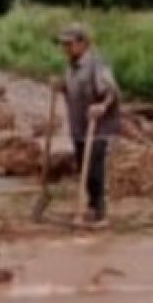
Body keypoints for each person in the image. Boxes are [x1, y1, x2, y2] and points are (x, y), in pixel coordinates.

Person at [53, 23, 121, 228]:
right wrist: (61, 86)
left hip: (99, 127)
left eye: (69, 44)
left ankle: (100, 213)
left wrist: (102, 106)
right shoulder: (71, 65)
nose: (65, 48)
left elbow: (112, 91)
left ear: (83, 43)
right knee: (83, 166)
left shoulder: (97, 63)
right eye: (63, 44)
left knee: (94, 169)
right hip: (79, 126)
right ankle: (91, 206)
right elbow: (72, 91)